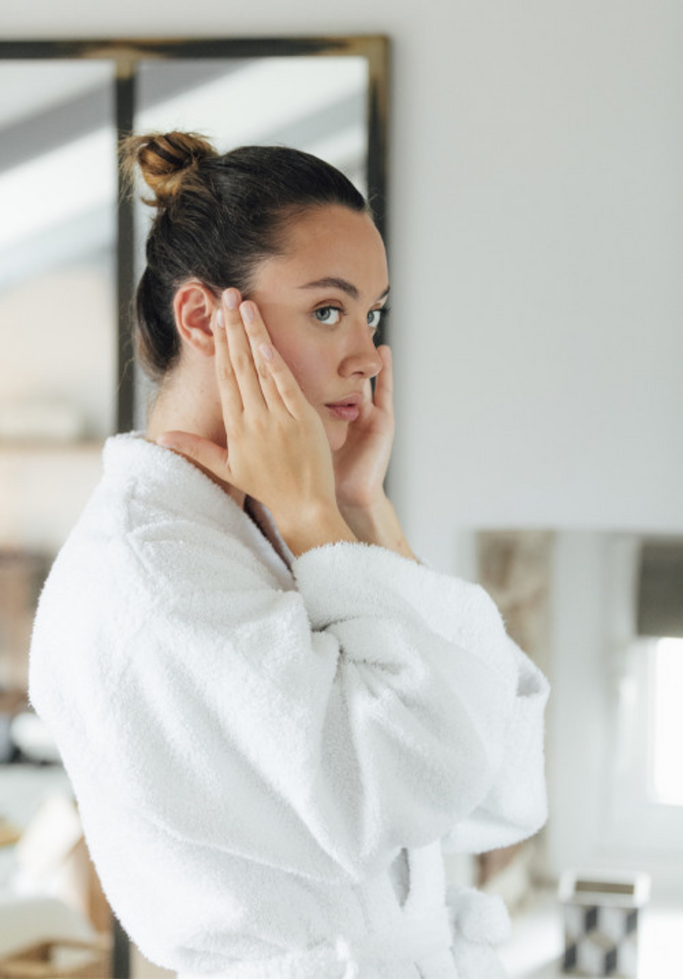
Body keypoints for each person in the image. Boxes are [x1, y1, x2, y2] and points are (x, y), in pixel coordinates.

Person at [28, 132, 550, 979]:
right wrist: (316, 519)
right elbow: (422, 778)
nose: (366, 357)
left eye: (371, 314)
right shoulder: (151, 575)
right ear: (202, 317)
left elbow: (503, 790)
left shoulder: (262, 536)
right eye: (326, 310)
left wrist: (358, 511)